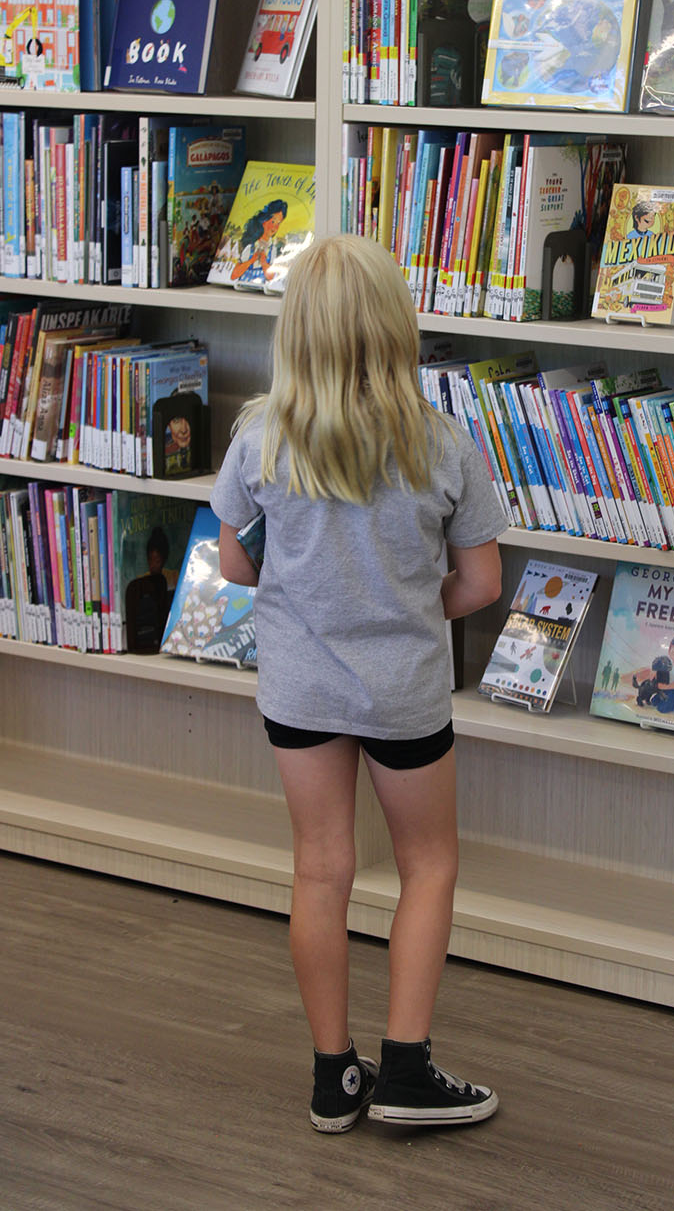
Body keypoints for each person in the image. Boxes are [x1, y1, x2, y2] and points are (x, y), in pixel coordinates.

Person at [212, 235, 505, 1133]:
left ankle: (333, 1079)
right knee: (429, 866)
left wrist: (313, 603)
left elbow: (236, 565)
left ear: (294, 330)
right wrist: (411, 609)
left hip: (299, 690)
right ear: (395, 326)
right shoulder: (442, 444)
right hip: (404, 691)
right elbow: (482, 583)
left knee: (319, 868)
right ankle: (408, 1071)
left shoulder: (259, 438)